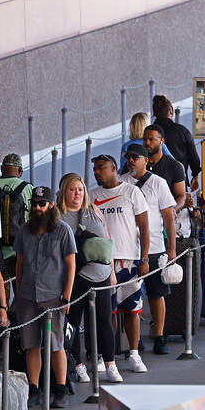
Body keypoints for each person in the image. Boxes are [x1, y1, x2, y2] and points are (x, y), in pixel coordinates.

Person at [13, 189, 76, 409]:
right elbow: (19, 264)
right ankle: (34, 388)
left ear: (51, 205)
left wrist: (67, 295)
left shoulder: (63, 230)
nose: (37, 208)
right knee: (31, 345)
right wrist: (19, 293)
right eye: (34, 204)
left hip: (53, 296)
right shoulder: (24, 231)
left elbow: (70, 266)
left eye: (42, 204)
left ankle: (60, 388)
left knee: (56, 345)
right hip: (28, 297)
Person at [57, 173, 121, 383]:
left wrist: (111, 271)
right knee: (73, 323)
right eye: (72, 189)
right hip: (73, 279)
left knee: (104, 321)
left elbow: (106, 241)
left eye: (80, 189)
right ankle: (78, 365)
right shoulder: (57, 216)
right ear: (64, 191)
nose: (77, 193)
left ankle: (111, 364)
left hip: (99, 275)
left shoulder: (93, 210)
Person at [90, 154, 151, 373]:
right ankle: (108, 356)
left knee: (133, 308)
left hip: (128, 260)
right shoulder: (91, 196)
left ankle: (134, 354)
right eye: (95, 169)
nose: (97, 172)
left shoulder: (131, 191)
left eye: (101, 167)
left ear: (114, 168)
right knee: (108, 311)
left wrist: (143, 259)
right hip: (103, 263)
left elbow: (144, 227)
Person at [120, 143, 176, 355]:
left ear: (146, 160)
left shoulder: (158, 183)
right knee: (129, 297)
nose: (131, 160)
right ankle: (133, 341)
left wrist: (171, 249)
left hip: (154, 247)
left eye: (135, 156)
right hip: (128, 249)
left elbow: (169, 217)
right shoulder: (120, 182)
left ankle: (159, 334)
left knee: (156, 293)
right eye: (128, 157)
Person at [151, 95, 201, 189]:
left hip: (154, 184)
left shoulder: (149, 134)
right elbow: (193, 157)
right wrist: (195, 176)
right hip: (178, 183)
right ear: (171, 110)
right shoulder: (182, 131)